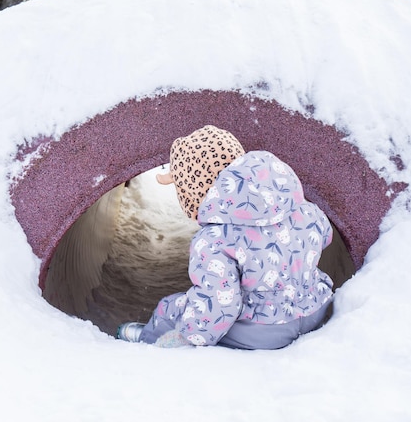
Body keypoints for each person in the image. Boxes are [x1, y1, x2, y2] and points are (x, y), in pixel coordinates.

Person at [117, 125, 334, 349]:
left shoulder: (214, 240)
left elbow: (221, 304)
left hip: (265, 332)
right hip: (315, 309)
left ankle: (151, 342)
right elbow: (325, 235)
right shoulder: (300, 207)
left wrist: (187, 338)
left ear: (193, 189)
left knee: (172, 308)